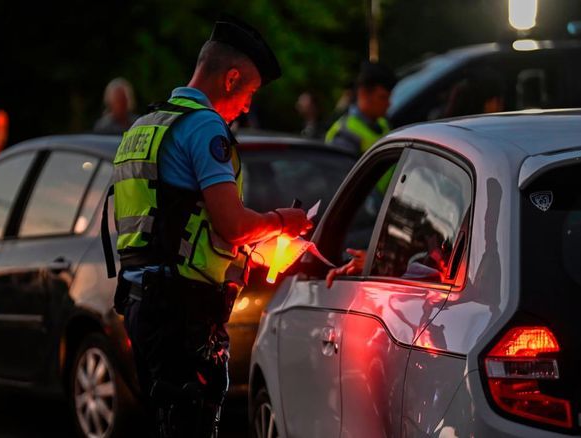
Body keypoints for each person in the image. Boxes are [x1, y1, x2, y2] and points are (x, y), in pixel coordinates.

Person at [107, 16, 312, 437]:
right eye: (250, 92)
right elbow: (232, 224)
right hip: (183, 309)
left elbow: (174, 224)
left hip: (140, 301)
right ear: (232, 78)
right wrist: (282, 223)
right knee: (193, 424)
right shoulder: (203, 125)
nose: (248, 106)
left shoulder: (144, 126)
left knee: (168, 423)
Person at [325, 62, 396, 156]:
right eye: (382, 97)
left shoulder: (383, 123)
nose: (388, 103)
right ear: (363, 93)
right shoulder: (344, 135)